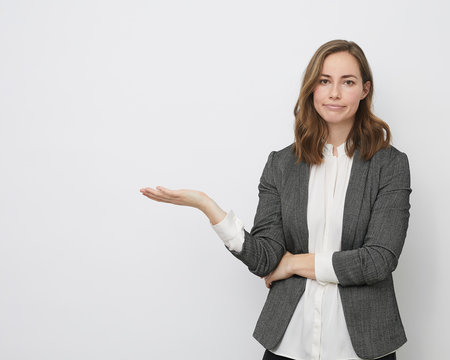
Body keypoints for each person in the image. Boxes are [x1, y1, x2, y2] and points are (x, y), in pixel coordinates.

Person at [140, 39, 412, 360]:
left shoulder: (389, 165)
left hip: (364, 344)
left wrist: (294, 263)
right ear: (312, 88)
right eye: (324, 81)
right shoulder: (282, 164)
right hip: (289, 343)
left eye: (347, 82)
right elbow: (266, 260)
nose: (334, 93)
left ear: (364, 90)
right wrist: (207, 207)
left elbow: (379, 260)